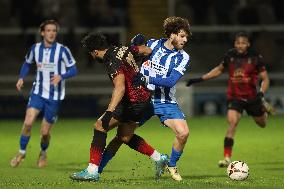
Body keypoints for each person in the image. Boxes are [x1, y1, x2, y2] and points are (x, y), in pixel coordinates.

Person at [98, 16, 191, 182]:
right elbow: (132, 54)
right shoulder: (153, 44)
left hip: (164, 101)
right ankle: (97, 170)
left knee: (183, 133)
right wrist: (133, 46)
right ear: (172, 35)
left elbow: (170, 81)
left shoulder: (182, 57)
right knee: (121, 137)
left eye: (186, 36)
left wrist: (146, 79)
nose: (185, 39)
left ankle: (171, 164)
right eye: (182, 35)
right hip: (141, 99)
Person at [70, 33, 168, 182]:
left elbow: (120, 88)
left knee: (99, 127)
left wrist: (109, 111)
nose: (92, 57)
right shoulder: (124, 49)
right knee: (124, 136)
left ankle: (92, 171)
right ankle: (159, 157)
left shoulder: (111, 61)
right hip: (144, 99)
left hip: (131, 101)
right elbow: (147, 50)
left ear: (95, 52)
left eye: (91, 54)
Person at [186, 32, 272, 167]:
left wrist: (261, 94)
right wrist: (200, 79)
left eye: (243, 43)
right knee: (232, 124)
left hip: (252, 97)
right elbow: (219, 70)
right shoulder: (230, 56)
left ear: (248, 44)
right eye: (238, 43)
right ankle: (227, 158)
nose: (240, 45)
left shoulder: (255, 57)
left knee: (262, 124)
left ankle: (263, 109)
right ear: (234, 44)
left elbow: (265, 79)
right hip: (235, 97)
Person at [10, 20, 77, 168]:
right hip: (37, 92)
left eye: (54, 30)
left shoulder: (63, 50)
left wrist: (62, 76)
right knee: (28, 123)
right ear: (42, 33)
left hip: (54, 96)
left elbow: (73, 69)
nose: (51, 33)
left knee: (45, 133)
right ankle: (21, 153)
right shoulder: (35, 48)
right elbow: (27, 63)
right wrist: (21, 77)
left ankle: (43, 152)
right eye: (48, 30)